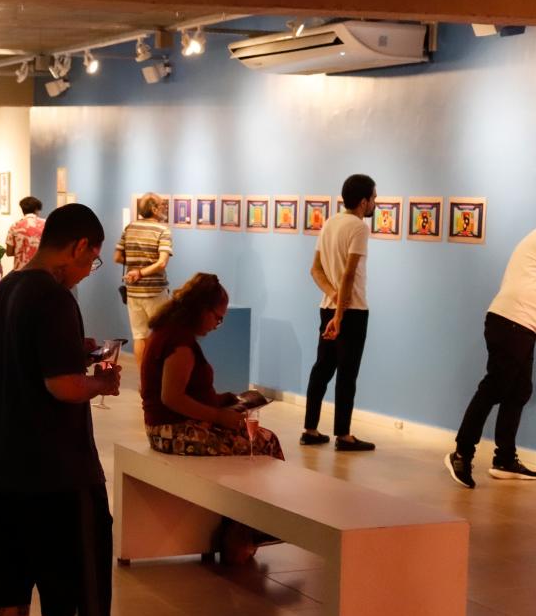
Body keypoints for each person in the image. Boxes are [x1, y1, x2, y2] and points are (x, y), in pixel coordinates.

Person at [0, 203, 159, 616]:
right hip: (54, 467)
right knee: (75, 579)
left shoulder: (6, 289)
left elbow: (27, 359)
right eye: (91, 260)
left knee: (8, 575)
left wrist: (77, 351)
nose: (87, 271)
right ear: (78, 247)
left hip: (3, 461)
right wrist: (102, 382)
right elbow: (63, 386)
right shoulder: (54, 298)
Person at [447, 190, 536, 489]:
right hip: (511, 323)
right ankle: (461, 453)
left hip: (520, 325)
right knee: (494, 388)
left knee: (518, 391)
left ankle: (504, 459)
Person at [141, 272, 284, 564]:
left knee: (255, 441)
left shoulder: (168, 333)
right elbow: (172, 398)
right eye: (217, 318)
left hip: (168, 427)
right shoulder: (180, 344)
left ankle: (243, 524)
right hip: (172, 431)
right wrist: (219, 416)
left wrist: (221, 401)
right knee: (264, 442)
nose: (217, 325)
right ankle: (247, 527)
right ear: (201, 310)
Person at [301, 173, 378, 452]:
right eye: (374, 198)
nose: (375, 203)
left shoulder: (330, 222)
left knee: (321, 369)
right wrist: (341, 314)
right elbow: (349, 274)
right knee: (347, 374)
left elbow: (315, 270)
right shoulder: (359, 228)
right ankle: (343, 435)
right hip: (351, 311)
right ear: (363, 201)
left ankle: (310, 429)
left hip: (328, 307)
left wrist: (333, 298)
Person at [114, 192, 173, 380]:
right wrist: (141, 271)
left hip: (133, 291)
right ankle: (159, 378)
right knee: (162, 334)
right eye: (162, 205)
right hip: (155, 291)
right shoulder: (162, 230)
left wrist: (135, 267)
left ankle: (143, 380)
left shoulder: (130, 228)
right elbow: (162, 263)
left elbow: (117, 257)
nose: (165, 208)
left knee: (139, 336)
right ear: (154, 209)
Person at [4, 196, 45, 271]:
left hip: (21, 270)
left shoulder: (15, 226)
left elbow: (9, 252)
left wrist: (21, 250)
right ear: (36, 210)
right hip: (41, 269)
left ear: (22, 209)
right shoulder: (45, 224)